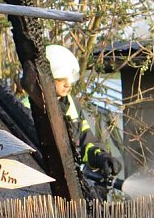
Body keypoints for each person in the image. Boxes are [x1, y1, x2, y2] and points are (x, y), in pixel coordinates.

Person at [43, 44, 122, 178]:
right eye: (61, 79)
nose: (68, 84)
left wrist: (101, 158)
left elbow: (86, 141)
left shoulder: (72, 104)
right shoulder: (31, 107)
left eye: (69, 79)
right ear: (46, 78)